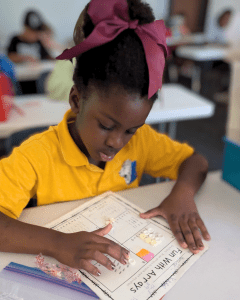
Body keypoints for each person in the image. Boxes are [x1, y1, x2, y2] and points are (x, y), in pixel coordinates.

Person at [0, 0, 211, 277]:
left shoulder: (141, 142)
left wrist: (182, 194)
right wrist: (56, 242)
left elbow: (196, 161)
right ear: (76, 100)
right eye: (106, 125)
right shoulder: (37, 155)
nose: (117, 142)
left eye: (130, 129)